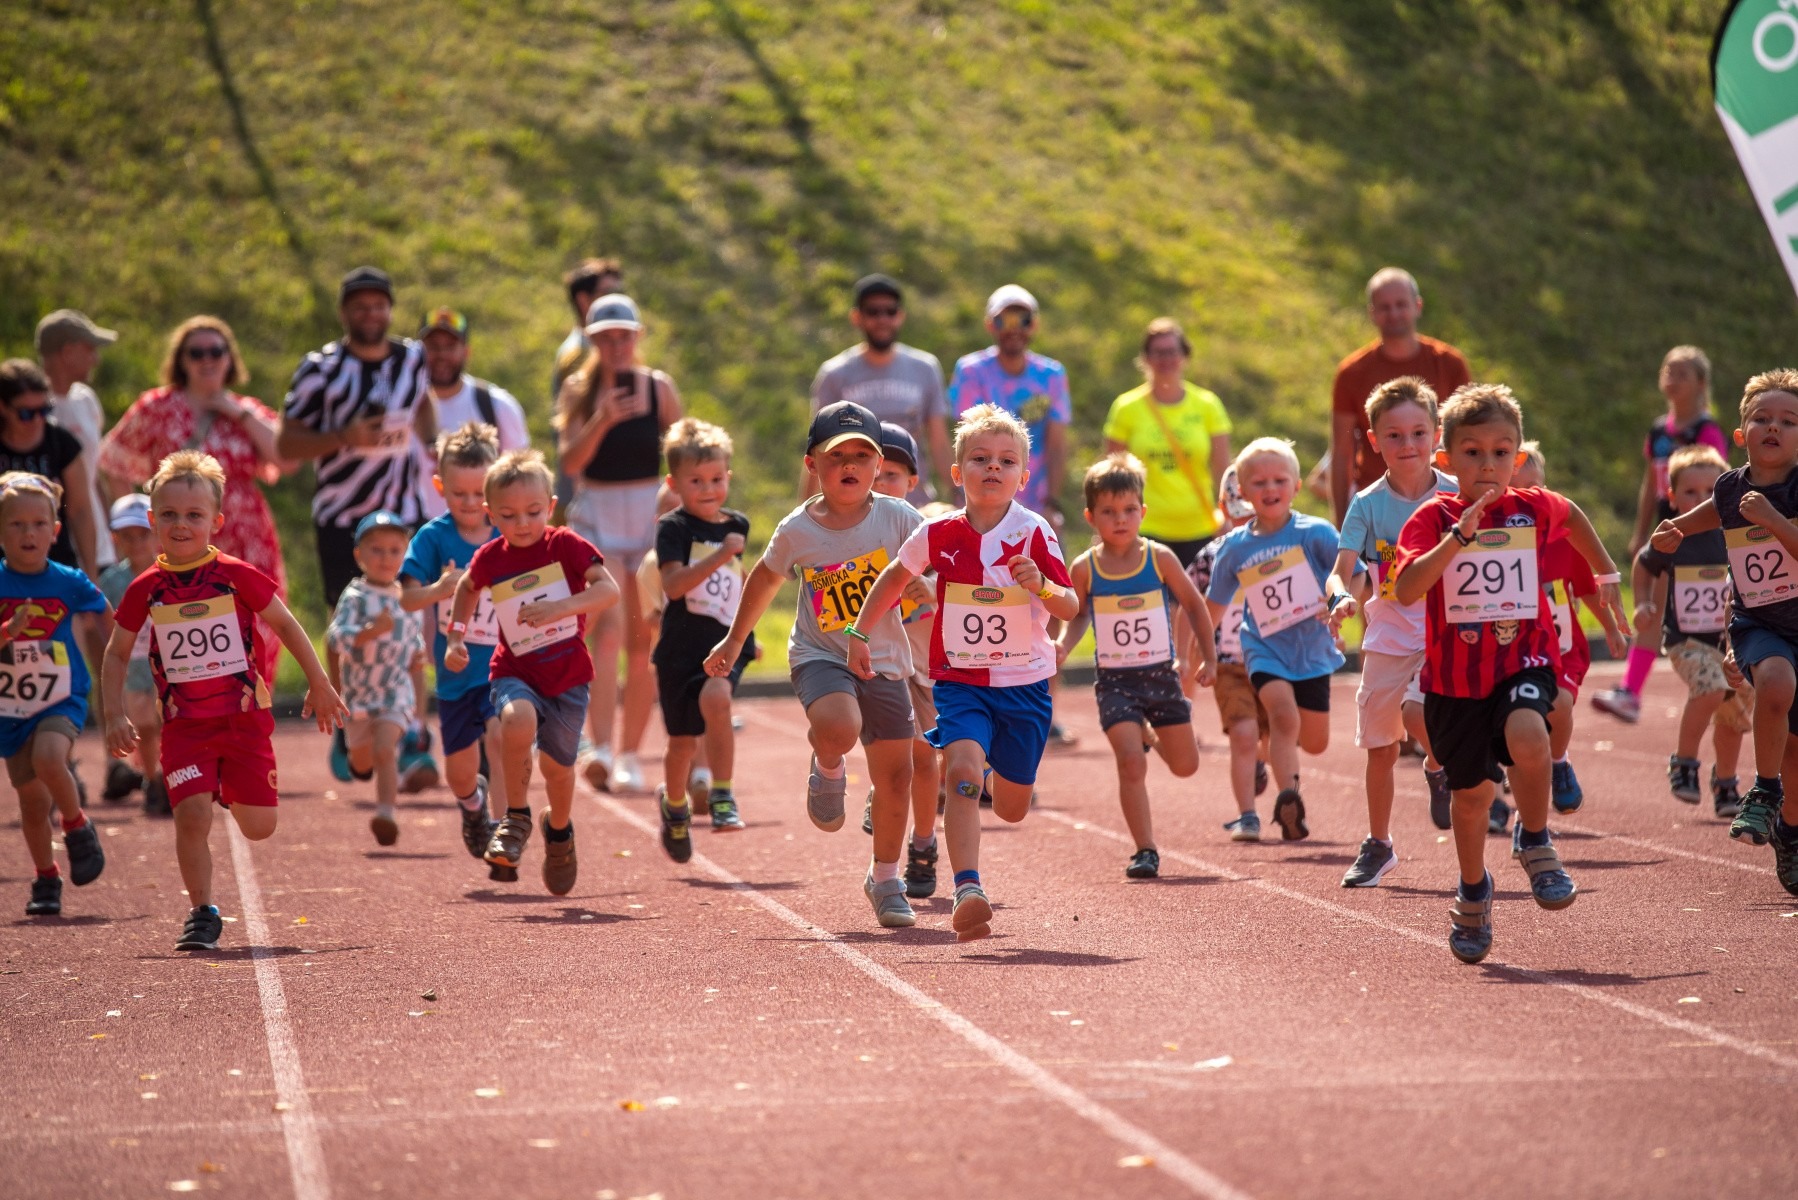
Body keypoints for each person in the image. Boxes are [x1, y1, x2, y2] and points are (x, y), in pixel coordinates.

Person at [1393, 384, 1627, 963]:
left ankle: (1536, 839)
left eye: (1501, 452)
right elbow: (1408, 587)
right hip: (1454, 682)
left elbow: (1572, 515)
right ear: (1446, 459)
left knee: (1529, 733)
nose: (1487, 464)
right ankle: (1474, 888)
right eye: (1472, 452)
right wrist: (1458, 539)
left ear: (1517, 458)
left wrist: (1606, 571)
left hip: (1524, 658)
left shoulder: (1532, 507)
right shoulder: (1432, 517)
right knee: (1472, 800)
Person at [850, 404, 1079, 942]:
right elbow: (893, 576)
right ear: (958, 473)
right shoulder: (938, 532)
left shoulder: (1035, 532)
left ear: (1023, 476)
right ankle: (968, 888)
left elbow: (1069, 605)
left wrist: (1041, 586)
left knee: (1012, 807)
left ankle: (1001, 772)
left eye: (1006, 461)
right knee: (961, 774)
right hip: (960, 680)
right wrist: (860, 632)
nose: (993, 468)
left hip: (1023, 683)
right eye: (980, 459)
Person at [103, 451, 346, 951]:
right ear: (152, 520)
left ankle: (226, 783)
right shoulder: (146, 588)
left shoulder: (236, 575)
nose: (180, 524)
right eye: (169, 514)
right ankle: (202, 912)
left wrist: (319, 682)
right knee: (191, 815)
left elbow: (286, 625)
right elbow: (116, 652)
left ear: (215, 521)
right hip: (185, 727)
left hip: (242, 722)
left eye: (193, 515)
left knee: (259, 827)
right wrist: (112, 713)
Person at [704, 401, 924, 930]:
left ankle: (886, 879)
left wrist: (928, 589)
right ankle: (828, 764)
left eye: (862, 456)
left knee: (897, 777)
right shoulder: (798, 529)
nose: (850, 465)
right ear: (812, 464)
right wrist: (735, 639)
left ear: (878, 464)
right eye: (836, 456)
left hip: (885, 660)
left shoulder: (900, 518)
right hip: (822, 654)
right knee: (840, 726)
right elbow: (764, 578)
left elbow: (939, 567)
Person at [276, 267, 437, 787]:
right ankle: (349, 724)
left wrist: (432, 447)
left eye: (379, 305)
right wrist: (344, 437)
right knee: (348, 625)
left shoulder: (412, 358)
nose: (371, 314)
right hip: (343, 519)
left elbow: (423, 404)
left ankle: (412, 736)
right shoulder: (321, 369)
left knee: (409, 618)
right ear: (345, 312)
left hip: (403, 512)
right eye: (361, 306)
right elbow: (286, 444)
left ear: (390, 309)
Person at [1649, 368, 1798, 896]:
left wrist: (1775, 521)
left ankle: (1789, 831)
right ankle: (1764, 791)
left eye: (1788, 421)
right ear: (1740, 434)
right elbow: (1715, 511)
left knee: (1794, 746)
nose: (1773, 427)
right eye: (1762, 418)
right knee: (1775, 685)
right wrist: (1676, 527)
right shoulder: (1733, 487)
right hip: (1759, 621)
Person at [445, 449, 620, 896]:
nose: (522, 523)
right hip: (515, 669)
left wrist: (562, 607)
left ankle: (559, 833)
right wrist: (456, 637)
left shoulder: (566, 546)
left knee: (557, 769)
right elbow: (467, 587)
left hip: (567, 676)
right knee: (516, 719)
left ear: (551, 506)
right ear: (490, 514)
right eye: (508, 515)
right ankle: (516, 817)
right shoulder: (491, 557)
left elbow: (609, 591)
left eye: (533, 512)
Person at [98, 316, 294, 683]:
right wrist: (139, 526)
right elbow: (113, 461)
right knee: (187, 625)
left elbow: (286, 457)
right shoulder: (158, 406)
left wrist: (234, 410)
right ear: (181, 360)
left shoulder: (244, 409)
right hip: (182, 534)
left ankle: (250, 706)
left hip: (248, 539)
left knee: (258, 622)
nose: (207, 360)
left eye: (216, 351)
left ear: (229, 358)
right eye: (196, 353)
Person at [1057, 453, 1217, 879]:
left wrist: (1207, 657)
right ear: (1091, 517)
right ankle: (1145, 850)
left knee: (1185, 766)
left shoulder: (1159, 558)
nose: (1120, 520)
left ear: (1143, 512)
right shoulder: (1085, 568)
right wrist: (1062, 646)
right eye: (1109, 512)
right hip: (1116, 682)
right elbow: (1078, 615)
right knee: (1131, 762)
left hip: (1160, 677)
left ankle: (1149, 730)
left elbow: (1194, 606)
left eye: (1129, 510)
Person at [1328, 379, 1457, 885]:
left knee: (1416, 709)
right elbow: (1340, 570)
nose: (1408, 445)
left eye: (1419, 433)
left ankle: (1441, 764)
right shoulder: (1367, 505)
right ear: (1373, 441)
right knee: (1380, 748)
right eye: (1394, 435)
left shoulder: (1457, 495)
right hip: (1387, 635)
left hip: (1445, 633)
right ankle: (1379, 845)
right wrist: (1340, 597)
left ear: (1437, 434)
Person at [554, 293, 681, 795]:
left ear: (637, 338)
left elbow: (683, 453)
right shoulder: (578, 390)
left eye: (623, 337)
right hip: (598, 522)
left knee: (644, 639)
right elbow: (570, 462)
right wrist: (602, 418)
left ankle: (630, 753)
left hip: (647, 521)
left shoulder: (658, 388)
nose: (615, 347)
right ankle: (602, 748)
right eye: (605, 338)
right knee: (605, 633)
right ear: (592, 341)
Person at [950, 284, 1078, 747]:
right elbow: (964, 438)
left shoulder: (1051, 374)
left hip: (1034, 506)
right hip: (983, 506)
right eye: (1004, 319)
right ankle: (974, 697)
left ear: (1033, 325)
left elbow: (1057, 442)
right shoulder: (971, 370)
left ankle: (1046, 702)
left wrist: (1052, 501)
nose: (1013, 328)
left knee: (1048, 599)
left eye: (1022, 319)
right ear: (990, 324)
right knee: (977, 596)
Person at [1205, 439, 1351, 844]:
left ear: (1297, 486)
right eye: (1259, 482)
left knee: (1315, 741)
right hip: (1263, 648)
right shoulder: (1235, 548)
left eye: (1279, 481)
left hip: (1313, 650)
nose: (1270, 489)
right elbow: (1212, 606)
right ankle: (1290, 800)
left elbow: (1350, 574)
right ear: (1243, 492)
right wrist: (1201, 653)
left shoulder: (1316, 533)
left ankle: (1274, 760)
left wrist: (1341, 606)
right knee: (1283, 717)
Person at [1593, 346, 1731, 724]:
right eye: (1668, 370)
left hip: (1702, 538)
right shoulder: (1658, 431)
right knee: (1652, 611)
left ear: (1701, 383)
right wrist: (1641, 532)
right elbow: (1649, 486)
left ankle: (1722, 688)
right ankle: (1633, 691)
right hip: (1667, 534)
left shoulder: (1706, 431)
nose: (1672, 378)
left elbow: (1720, 482)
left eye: (1682, 373)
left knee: (1707, 618)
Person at [1, 473, 109, 917]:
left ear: (55, 531)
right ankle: (46, 877)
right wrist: (8, 631)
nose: (28, 533)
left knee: (50, 758)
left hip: (63, 693)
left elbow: (107, 616)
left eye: (39, 524)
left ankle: (78, 826)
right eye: (16, 524)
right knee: (31, 801)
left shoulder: (69, 581)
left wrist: (122, 660)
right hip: (11, 706)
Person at [400, 422, 509, 866]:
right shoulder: (432, 538)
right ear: (440, 486)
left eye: (479, 493)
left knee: (503, 738)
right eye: (459, 493)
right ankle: (473, 805)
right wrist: (440, 589)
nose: (469, 503)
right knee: (460, 772)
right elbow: (406, 598)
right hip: (456, 674)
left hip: (504, 668)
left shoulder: (510, 531)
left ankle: (507, 832)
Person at [1508, 443, 1628, 839]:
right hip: (1512, 649)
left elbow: (1588, 590)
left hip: (1562, 649)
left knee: (1558, 705)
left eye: (1538, 489)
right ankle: (1519, 811)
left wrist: (1610, 627)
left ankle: (1558, 761)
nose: (1532, 501)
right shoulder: (1494, 543)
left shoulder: (1564, 538)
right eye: (1519, 492)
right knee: (1514, 727)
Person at [652, 419, 753, 861]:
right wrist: (721, 553)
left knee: (717, 697)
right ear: (674, 484)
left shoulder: (738, 525)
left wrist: (748, 630)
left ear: (728, 476)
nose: (708, 489)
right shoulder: (673, 527)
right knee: (681, 744)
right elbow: (674, 586)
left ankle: (722, 793)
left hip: (724, 643)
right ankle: (674, 806)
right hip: (679, 650)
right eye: (696, 481)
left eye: (716, 479)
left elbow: (739, 580)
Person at [1633, 445, 1747, 818]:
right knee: (1711, 687)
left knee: (1733, 715)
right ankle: (1683, 762)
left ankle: (1726, 783)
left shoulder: (1734, 533)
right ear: (1672, 496)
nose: (1701, 500)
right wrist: (1641, 603)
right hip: (1687, 641)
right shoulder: (1672, 535)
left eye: (1711, 492)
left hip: (1730, 641)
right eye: (1690, 492)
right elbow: (1643, 564)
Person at [861, 423, 946, 900]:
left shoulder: (929, 534)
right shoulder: (855, 536)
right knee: (895, 752)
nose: (881, 484)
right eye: (874, 474)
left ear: (912, 482)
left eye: (891, 475)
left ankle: (924, 842)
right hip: (883, 665)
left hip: (928, 670)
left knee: (925, 760)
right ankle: (882, 792)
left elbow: (967, 586)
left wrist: (933, 588)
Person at [1329, 268, 1471, 525]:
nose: (1393, 313)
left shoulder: (1450, 364)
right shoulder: (1352, 373)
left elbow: (1469, 438)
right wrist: (1342, 523)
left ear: (1418, 306)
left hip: (1442, 504)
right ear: (1372, 313)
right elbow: (1342, 453)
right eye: (1384, 307)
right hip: (1377, 508)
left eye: (1401, 305)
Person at [327, 511, 428, 846]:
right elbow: (335, 639)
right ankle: (362, 762)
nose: (386, 558)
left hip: (394, 692)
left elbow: (413, 640)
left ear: (405, 554)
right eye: (377, 550)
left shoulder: (407, 598)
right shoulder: (355, 596)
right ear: (359, 555)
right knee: (363, 760)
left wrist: (417, 656)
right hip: (359, 695)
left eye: (395, 550)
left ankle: (386, 814)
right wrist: (372, 631)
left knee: (385, 748)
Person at [806, 275, 952, 504]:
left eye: (890, 311)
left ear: (900, 316)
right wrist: (805, 512)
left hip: (914, 503)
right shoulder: (834, 375)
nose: (882, 319)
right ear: (857, 317)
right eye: (873, 312)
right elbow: (818, 448)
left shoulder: (925, 369)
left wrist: (958, 493)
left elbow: (939, 443)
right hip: (854, 506)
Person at [1102, 318, 1233, 568]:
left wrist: (1227, 515)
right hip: (1144, 526)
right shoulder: (1126, 408)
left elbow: (1222, 469)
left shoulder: (1208, 405)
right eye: (1158, 352)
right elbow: (1111, 475)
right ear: (1146, 358)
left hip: (1201, 526)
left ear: (1184, 355)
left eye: (1172, 351)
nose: (1166, 359)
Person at [1187, 466, 1272, 840]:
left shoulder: (1283, 550)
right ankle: (1248, 814)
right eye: (1237, 513)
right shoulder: (1211, 556)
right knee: (1242, 733)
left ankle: (1273, 777)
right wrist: (1187, 658)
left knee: (1277, 738)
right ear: (1223, 508)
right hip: (1229, 663)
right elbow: (1189, 604)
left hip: (1276, 660)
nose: (1244, 522)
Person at [415, 308, 530, 521]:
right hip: (410, 527)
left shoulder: (497, 406)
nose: (441, 355)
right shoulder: (401, 404)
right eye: (433, 347)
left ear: (466, 351)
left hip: (483, 529)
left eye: (451, 347)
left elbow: (521, 480)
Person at [97, 494, 167, 815]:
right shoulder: (112, 582)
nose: (137, 543)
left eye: (143, 534)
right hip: (134, 668)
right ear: (115, 538)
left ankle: (174, 778)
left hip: (171, 665)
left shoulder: (170, 573)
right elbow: (104, 622)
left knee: (171, 724)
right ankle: (153, 781)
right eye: (128, 536)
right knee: (146, 725)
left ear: (156, 532)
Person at [0, 360, 100, 579]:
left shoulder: (62, 444)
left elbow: (80, 512)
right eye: (26, 413)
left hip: (55, 565)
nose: (37, 420)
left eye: (44, 410)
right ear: (3, 407)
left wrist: (91, 575)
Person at [35, 309, 118, 568]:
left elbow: (93, 473)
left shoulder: (86, 399)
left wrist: (111, 527)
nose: (96, 359)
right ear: (68, 352)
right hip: (49, 547)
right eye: (90, 349)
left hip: (98, 547)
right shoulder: (30, 409)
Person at [551, 259, 625, 509]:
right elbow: (573, 433)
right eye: (608, 292)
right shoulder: (578, 355)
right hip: (586, 496)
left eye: (620, 292)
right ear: (584, 301)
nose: (617, 300)